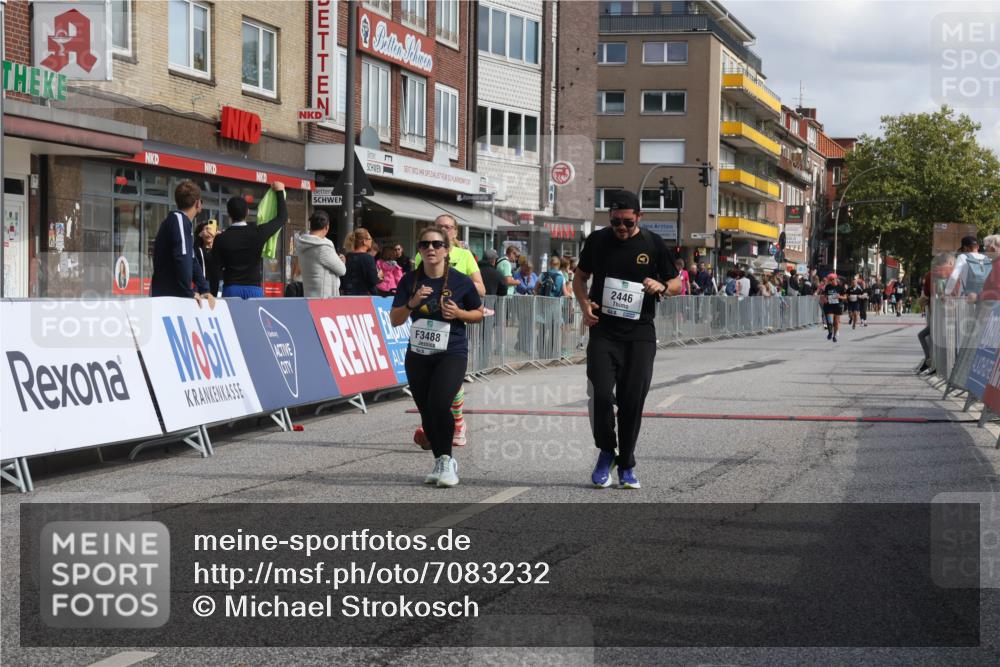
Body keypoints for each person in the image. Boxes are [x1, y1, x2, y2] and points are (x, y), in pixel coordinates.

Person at [573, 190, 681, 490]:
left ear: (639, 217)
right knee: (602, 395)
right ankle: (607, 451)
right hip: (604, 330)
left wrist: (661, 285)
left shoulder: (652, 243)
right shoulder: (597, 241)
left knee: (632, 402)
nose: (621, 227)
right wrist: (584, 305)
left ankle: (627, 464)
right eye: (615, 221)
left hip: (640, 334)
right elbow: (579, 278)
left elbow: (677, 283)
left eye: (627, 222)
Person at [390, 226, 483, 487]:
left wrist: (460, 315)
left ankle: (447, 461)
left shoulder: (460, 281)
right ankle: (440, 460)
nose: (431, 249)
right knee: (426, 411)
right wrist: (412, 302)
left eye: (436, 245)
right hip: (418, 354)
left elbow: (479, 312)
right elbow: (395, 319)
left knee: (440, 404)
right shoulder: (410, 281)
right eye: (425, 244)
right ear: (419, 249)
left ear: (446, 250)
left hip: (451, 353)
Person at [412, 214, 485, 448]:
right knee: (431, 382)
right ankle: (433, 425)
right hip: (426, 325)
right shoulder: (422, 253)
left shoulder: (464, 256)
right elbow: (415, 282)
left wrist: (456, 284)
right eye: (439, 227)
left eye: (448, 227)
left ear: (455, 231)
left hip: (453, 327)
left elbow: (480, 288)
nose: (443, 230)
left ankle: (457, 423)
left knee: (449, 382)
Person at [211, 182, 288, 299]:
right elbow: (282, 218)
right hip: (254, 291)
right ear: (247, 212)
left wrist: (212, 296)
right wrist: (279, 192)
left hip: (231, 290)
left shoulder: (220, 238)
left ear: (228, 214)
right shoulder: (258, 233)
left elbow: (215, 272)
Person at [150, 179, 215, 308]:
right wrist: (188, 292)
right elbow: (183, 257)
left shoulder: (180, 223)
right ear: (197, 204)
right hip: (168, 298)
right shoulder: (179, 221)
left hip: (170, 295)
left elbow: (192, 260)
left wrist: (204, 289)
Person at [295, 211, 346, 298]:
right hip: (324, 298)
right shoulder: (322, 248)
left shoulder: (302, 244)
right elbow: (342, 270)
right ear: (327, 227)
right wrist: (342, 261)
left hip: (309, 295)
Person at [945, 235, 992, 300]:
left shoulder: (962, 257)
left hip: (966, 297)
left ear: (965, 248)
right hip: (983, 297)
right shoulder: (987, 259)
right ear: (977, 247)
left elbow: (954, 276)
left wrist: (947, 293)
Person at [340, 228, 382, 296]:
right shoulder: (368, 258)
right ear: (364, 241)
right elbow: (373, 281)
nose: (371, 241)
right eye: (370, 238)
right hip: (364, 297)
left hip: (347, 296)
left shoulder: (347, 257)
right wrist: (379, 276)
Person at [194, 220, 221, 296]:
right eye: (206, 229)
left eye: (210, 230)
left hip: (218, 285)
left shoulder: (219, 248)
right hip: (202, 284)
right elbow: (192, 250)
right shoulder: (198, 249)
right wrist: (199, 237)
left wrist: (221, 236)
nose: (209, 233)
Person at [820, 273, 846, 342]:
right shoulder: (828, 286)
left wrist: (839, 296)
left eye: (832, 279)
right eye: (830, 280)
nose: (831, 281)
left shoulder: (841, 287)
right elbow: (824, 295)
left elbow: (845, 297)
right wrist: (824, 299)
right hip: (829, 305)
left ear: (836, 279)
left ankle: (834, 336)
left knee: (836, 322)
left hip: (837, 306)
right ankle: (830, 332)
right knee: (830, 321)